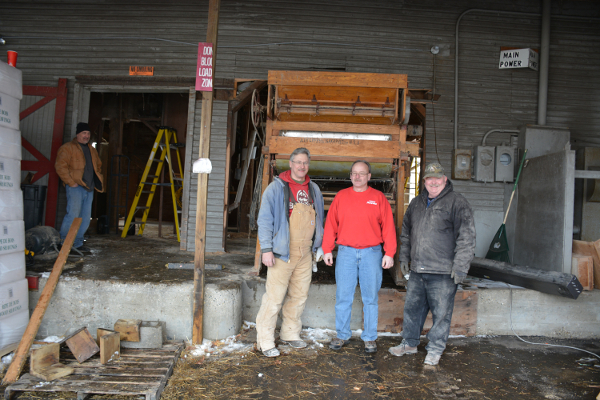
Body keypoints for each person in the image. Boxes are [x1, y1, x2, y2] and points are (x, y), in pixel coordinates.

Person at [389, 162, 475, 366]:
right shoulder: (417, 203)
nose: (434, 182)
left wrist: (461, 266)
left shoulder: (457, 202)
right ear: (424, 181)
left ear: (445, 179)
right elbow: (407, 233)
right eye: (429, 178)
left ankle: (435, 348)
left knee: (441, 313)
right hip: (418, 269)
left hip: (444, 272)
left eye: (438, 178)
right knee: (412, 310)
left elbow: (467, 236)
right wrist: (404, 258)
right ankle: (409, 343)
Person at [255, 147, 325, 357]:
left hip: (305, 252)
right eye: (298, 162)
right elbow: (265, 221)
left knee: (299, 295)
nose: (301, 166)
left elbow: (320, 218)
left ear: (308, 165)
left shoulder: (314, 189)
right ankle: (265, 341)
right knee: (274, 298)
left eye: (305, 163)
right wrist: (266, 249)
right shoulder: (276, 188)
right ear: (291, 164)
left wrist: (319, 244)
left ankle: (290, 334)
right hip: (282, 252)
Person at [323, 160, 396, 353]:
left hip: (371, 253)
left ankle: (370, 337)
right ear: (350, 176)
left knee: (370, 298)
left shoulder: (378, 198)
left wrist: (389, 253)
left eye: (362, 173)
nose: (357, 177)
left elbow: (388, 227)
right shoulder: (341, 196)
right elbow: (331, 224)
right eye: (354, 173)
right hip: (346, 252)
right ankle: (342, 334)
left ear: (369, 176)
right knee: (343, 297)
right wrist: (327, 249)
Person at [55, 122, 104, 253]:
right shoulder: (67, 148)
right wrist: (71, 182)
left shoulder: (92, 150)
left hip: (89, 188)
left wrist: (95, 179)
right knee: (72, 215)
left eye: (88, 133)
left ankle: (77, 244)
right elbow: (60, 166)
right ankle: (64, 243)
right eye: (84, 133)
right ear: (77, 134)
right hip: (76, 187)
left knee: (84, 218)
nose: (86, 136)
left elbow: (98, 165)